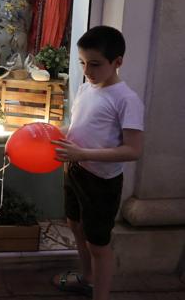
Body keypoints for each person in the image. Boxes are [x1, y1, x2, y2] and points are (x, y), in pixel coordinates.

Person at [51, 26, 144, 300]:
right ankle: (88, 278)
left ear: (117, 62)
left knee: (98, 245)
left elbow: (133, 150)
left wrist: (83, 154)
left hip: (102, 182)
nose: (87, 70)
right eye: (82, 63)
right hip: (75, 171)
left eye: (95, 64)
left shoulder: (127, 99)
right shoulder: (85, 88)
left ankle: (99, 294)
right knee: (75, 225)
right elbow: (78, 127)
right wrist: (52, 134)